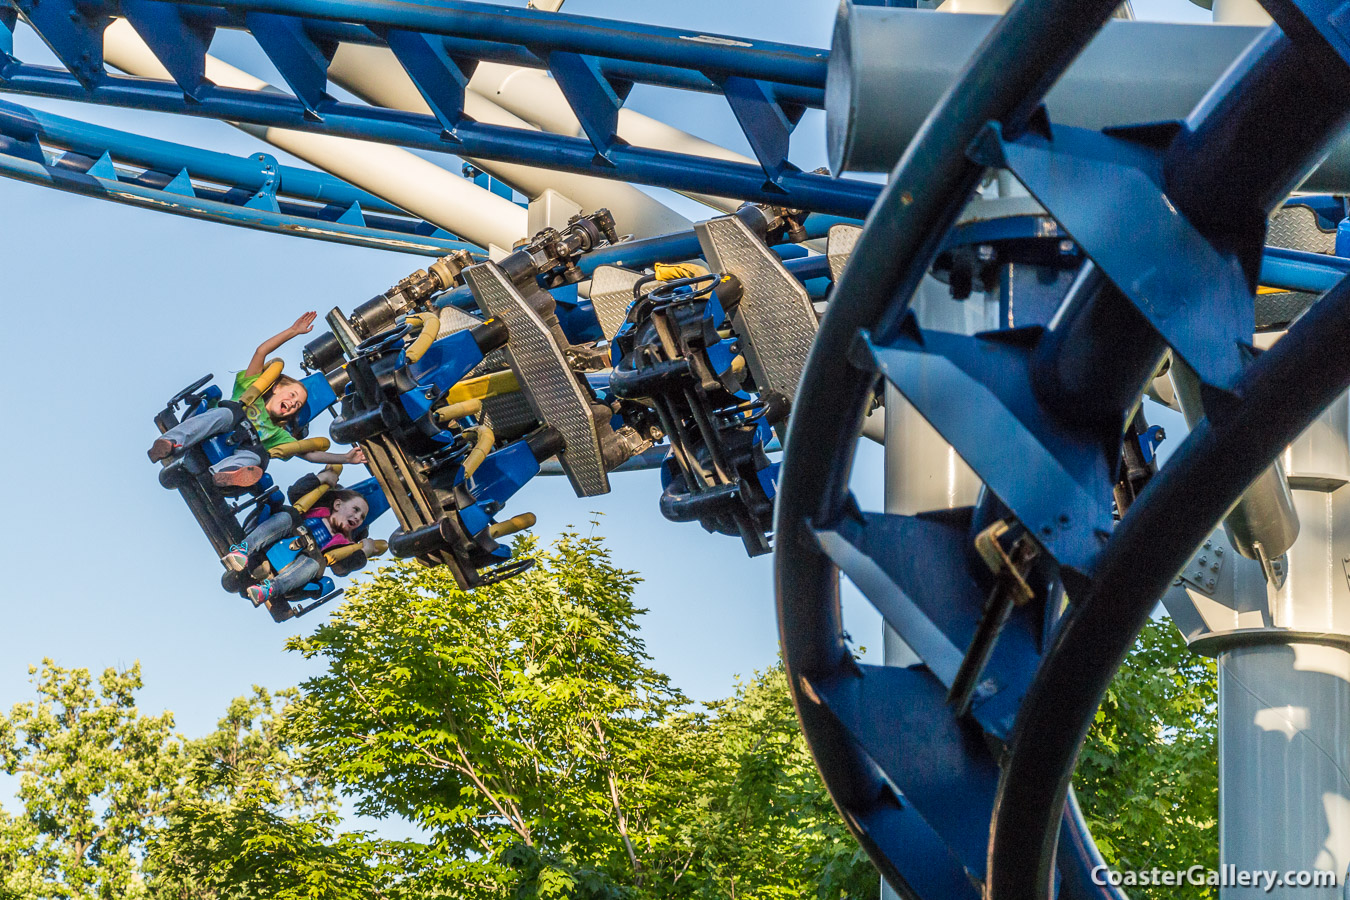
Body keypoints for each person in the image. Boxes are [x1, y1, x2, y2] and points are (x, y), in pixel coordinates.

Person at [148, 312, 363, 487]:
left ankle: (229, 474)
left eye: (297, 406)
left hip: (237, 453)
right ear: (276, 388)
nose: (293, 403)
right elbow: (261, 352)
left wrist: (345, 458)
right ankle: (170, 442)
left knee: (258, 457)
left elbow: (311, 454)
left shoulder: (279, 434)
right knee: (225, 412)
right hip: (218, 427)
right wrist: (293, 331)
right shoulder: (250, 389)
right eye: (292, 395)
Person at [225, 483, 380, 606]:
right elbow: (295, 493)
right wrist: (320, 480)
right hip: (282, 537)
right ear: (337, 505)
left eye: (362, 517)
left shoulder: (345, 543)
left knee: (315, 564)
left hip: (308, 554)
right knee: (286, 516)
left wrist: (362, 551)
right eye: (356, 510)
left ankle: (270, 587)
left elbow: (341, 568)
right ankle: (244, 550)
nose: (358, 517)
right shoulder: (315, 510)